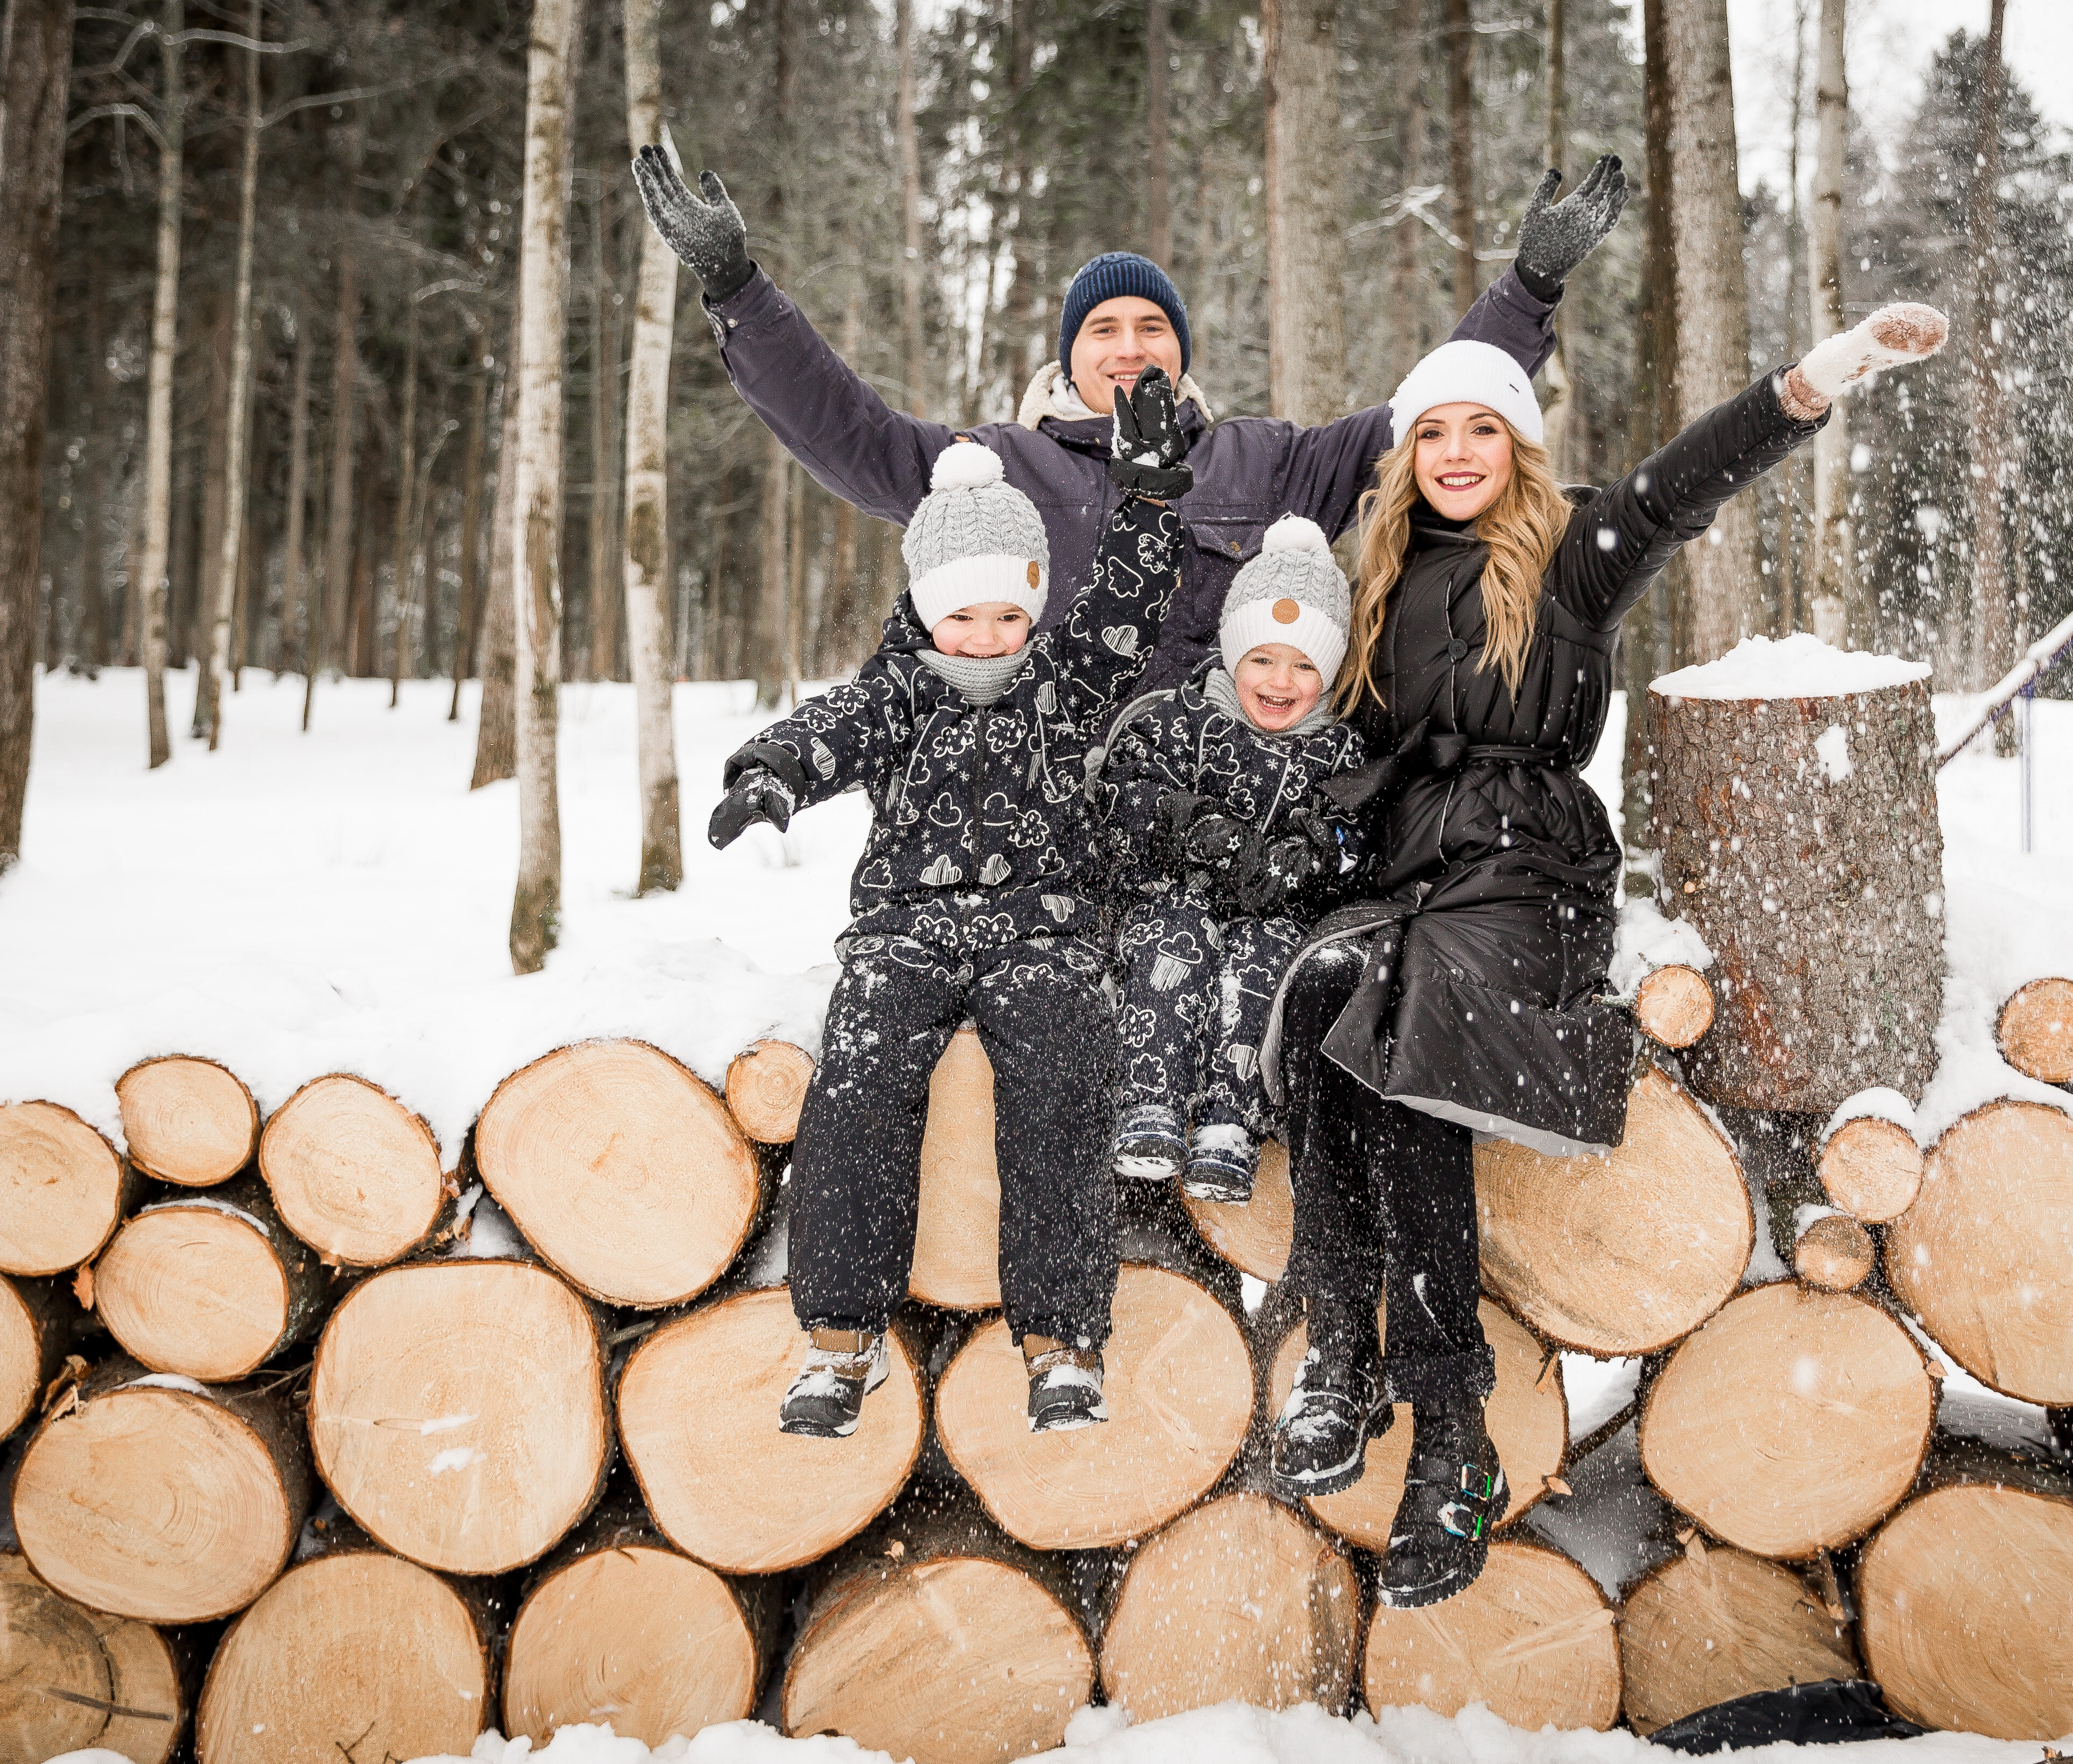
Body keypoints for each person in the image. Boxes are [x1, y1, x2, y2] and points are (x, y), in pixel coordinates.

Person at [1266, 303, 1951, 1609]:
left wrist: (1816, 376)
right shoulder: (1373, 580)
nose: (1455, 451)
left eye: (1482, 428)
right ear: (1402, 454)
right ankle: (1338, 1349)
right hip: (1402, 868)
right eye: (1431, 432)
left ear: (1518, 449)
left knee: (1410, 1033)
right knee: (1319, 1007)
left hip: (1526, 872)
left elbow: (1680, 485)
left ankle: (1452, 1426)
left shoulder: (1568, 553)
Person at [629, 140, 1632, 690]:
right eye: (1102, 328)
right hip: (1044, 817)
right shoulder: (997, 466)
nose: (1129, 347)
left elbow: (1430, 416)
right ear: (1070, 354)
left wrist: (1528, 287)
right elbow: (849, 436)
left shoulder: (1264, 462)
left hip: (1210, 812)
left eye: (1152, 325)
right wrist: (738, 292)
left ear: (1180, 351)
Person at [707, 369, 1195, 1440]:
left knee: (1065, 1076)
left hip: (1042, 930)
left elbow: (1122, 607)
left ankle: (1061, 1341)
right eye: (961, 612)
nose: (985, 632)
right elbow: (830, 727)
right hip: (905, 932)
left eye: (1007, 610)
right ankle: (840, 1338)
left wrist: (1150, 507)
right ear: (928, 607)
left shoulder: (1064, 681)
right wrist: (774, 774)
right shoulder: (898, 692)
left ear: (1032, 603)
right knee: (863, 1072)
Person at [1089, 514, 1371, 1203]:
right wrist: (1204, 833)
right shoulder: (1180, 719)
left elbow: (1352, 836)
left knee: (1263, 964)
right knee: (1175, 945)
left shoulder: (1338, 751)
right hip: (1170, 897)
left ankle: (1228, 1120)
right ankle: (1148, 1100)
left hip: (1272, 911)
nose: (1282, 681)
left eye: (1305, 664)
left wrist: (1302, 859)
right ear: (1231, 655)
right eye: (1263, 659)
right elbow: (1128, 794)